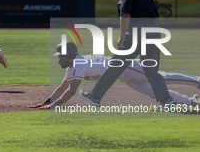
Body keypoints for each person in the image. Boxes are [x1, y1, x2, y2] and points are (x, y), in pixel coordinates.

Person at [79, 0, 176, 109]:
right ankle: (166, 100)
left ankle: (95, 96)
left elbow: (125, 16)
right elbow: (156, 17)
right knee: (150, 69)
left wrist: (122, 37)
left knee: (115, 65)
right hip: (154, 32)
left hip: (136, 33)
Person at [29, 42, 200, 109]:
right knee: (155, 92)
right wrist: (46, 102)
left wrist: (54, 106)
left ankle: (196, 80)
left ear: (69, 55)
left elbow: (71, 91)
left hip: (126, 67)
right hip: (123, 76)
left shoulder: (79, 63)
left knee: (161, 78)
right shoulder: (72, 67)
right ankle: (191, 101)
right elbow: (62, 87)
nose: (59, 58)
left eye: (60, 55)